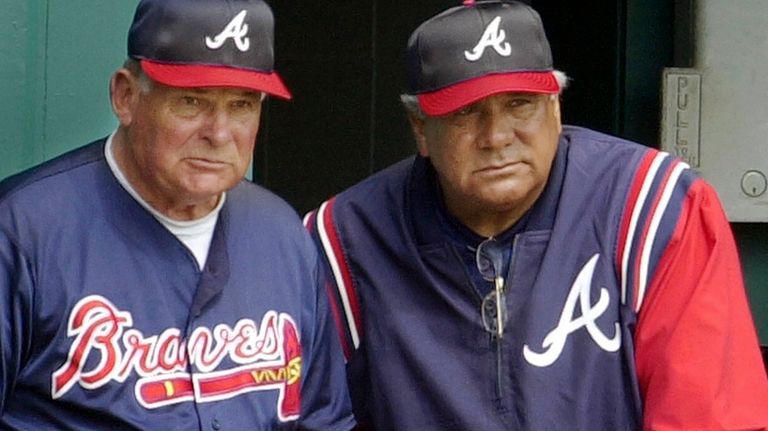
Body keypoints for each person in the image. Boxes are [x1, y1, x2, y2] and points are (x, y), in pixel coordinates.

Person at [304, 1, 768, 429]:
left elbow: (710, 415)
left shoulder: (654, 207)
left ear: (555, 107)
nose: (497, 136)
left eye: (519, 104)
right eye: (466, 112)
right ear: (421, 130)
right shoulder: (344, 239)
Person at [0, 0, 355, 429]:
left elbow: (323, 419)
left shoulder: (282, 235)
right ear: (126, 96)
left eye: (242, 105)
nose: (219, 133)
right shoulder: (22, 231)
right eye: (191, 101)